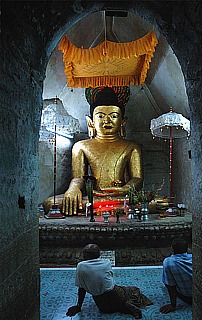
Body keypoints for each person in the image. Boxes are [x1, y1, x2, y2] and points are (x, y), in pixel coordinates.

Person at [43, 86, 143, 215]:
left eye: (113, 116)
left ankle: (101, 209)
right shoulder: (81, 146)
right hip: (93, 196)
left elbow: (137, 178)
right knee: (51, 203)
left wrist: (125, 189)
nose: (107, 121)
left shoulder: (132, 146)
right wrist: (73, 189)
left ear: (123, 122)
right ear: (90, 122)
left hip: (121, 196)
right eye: (100, 116)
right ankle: (109, 209)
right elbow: (78, 178)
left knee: (151, 202)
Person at [66, 244, 153, 319]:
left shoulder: (80, 266)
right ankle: (126, 305)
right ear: (99, 254)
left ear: (85, 256)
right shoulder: (107, 262)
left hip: (102, 306)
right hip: (115, 294)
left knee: (115, 301)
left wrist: (78, 306)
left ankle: (124, 307)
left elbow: (81, 288)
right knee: (133, 290)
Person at [159, 238, 192, 314]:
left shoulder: (168, 262)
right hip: (200, 294)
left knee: (166, 281)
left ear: (172, 249)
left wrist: (173, 305)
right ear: (187, 249)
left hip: (187, 297)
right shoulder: (193, 257)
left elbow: (171, 286)